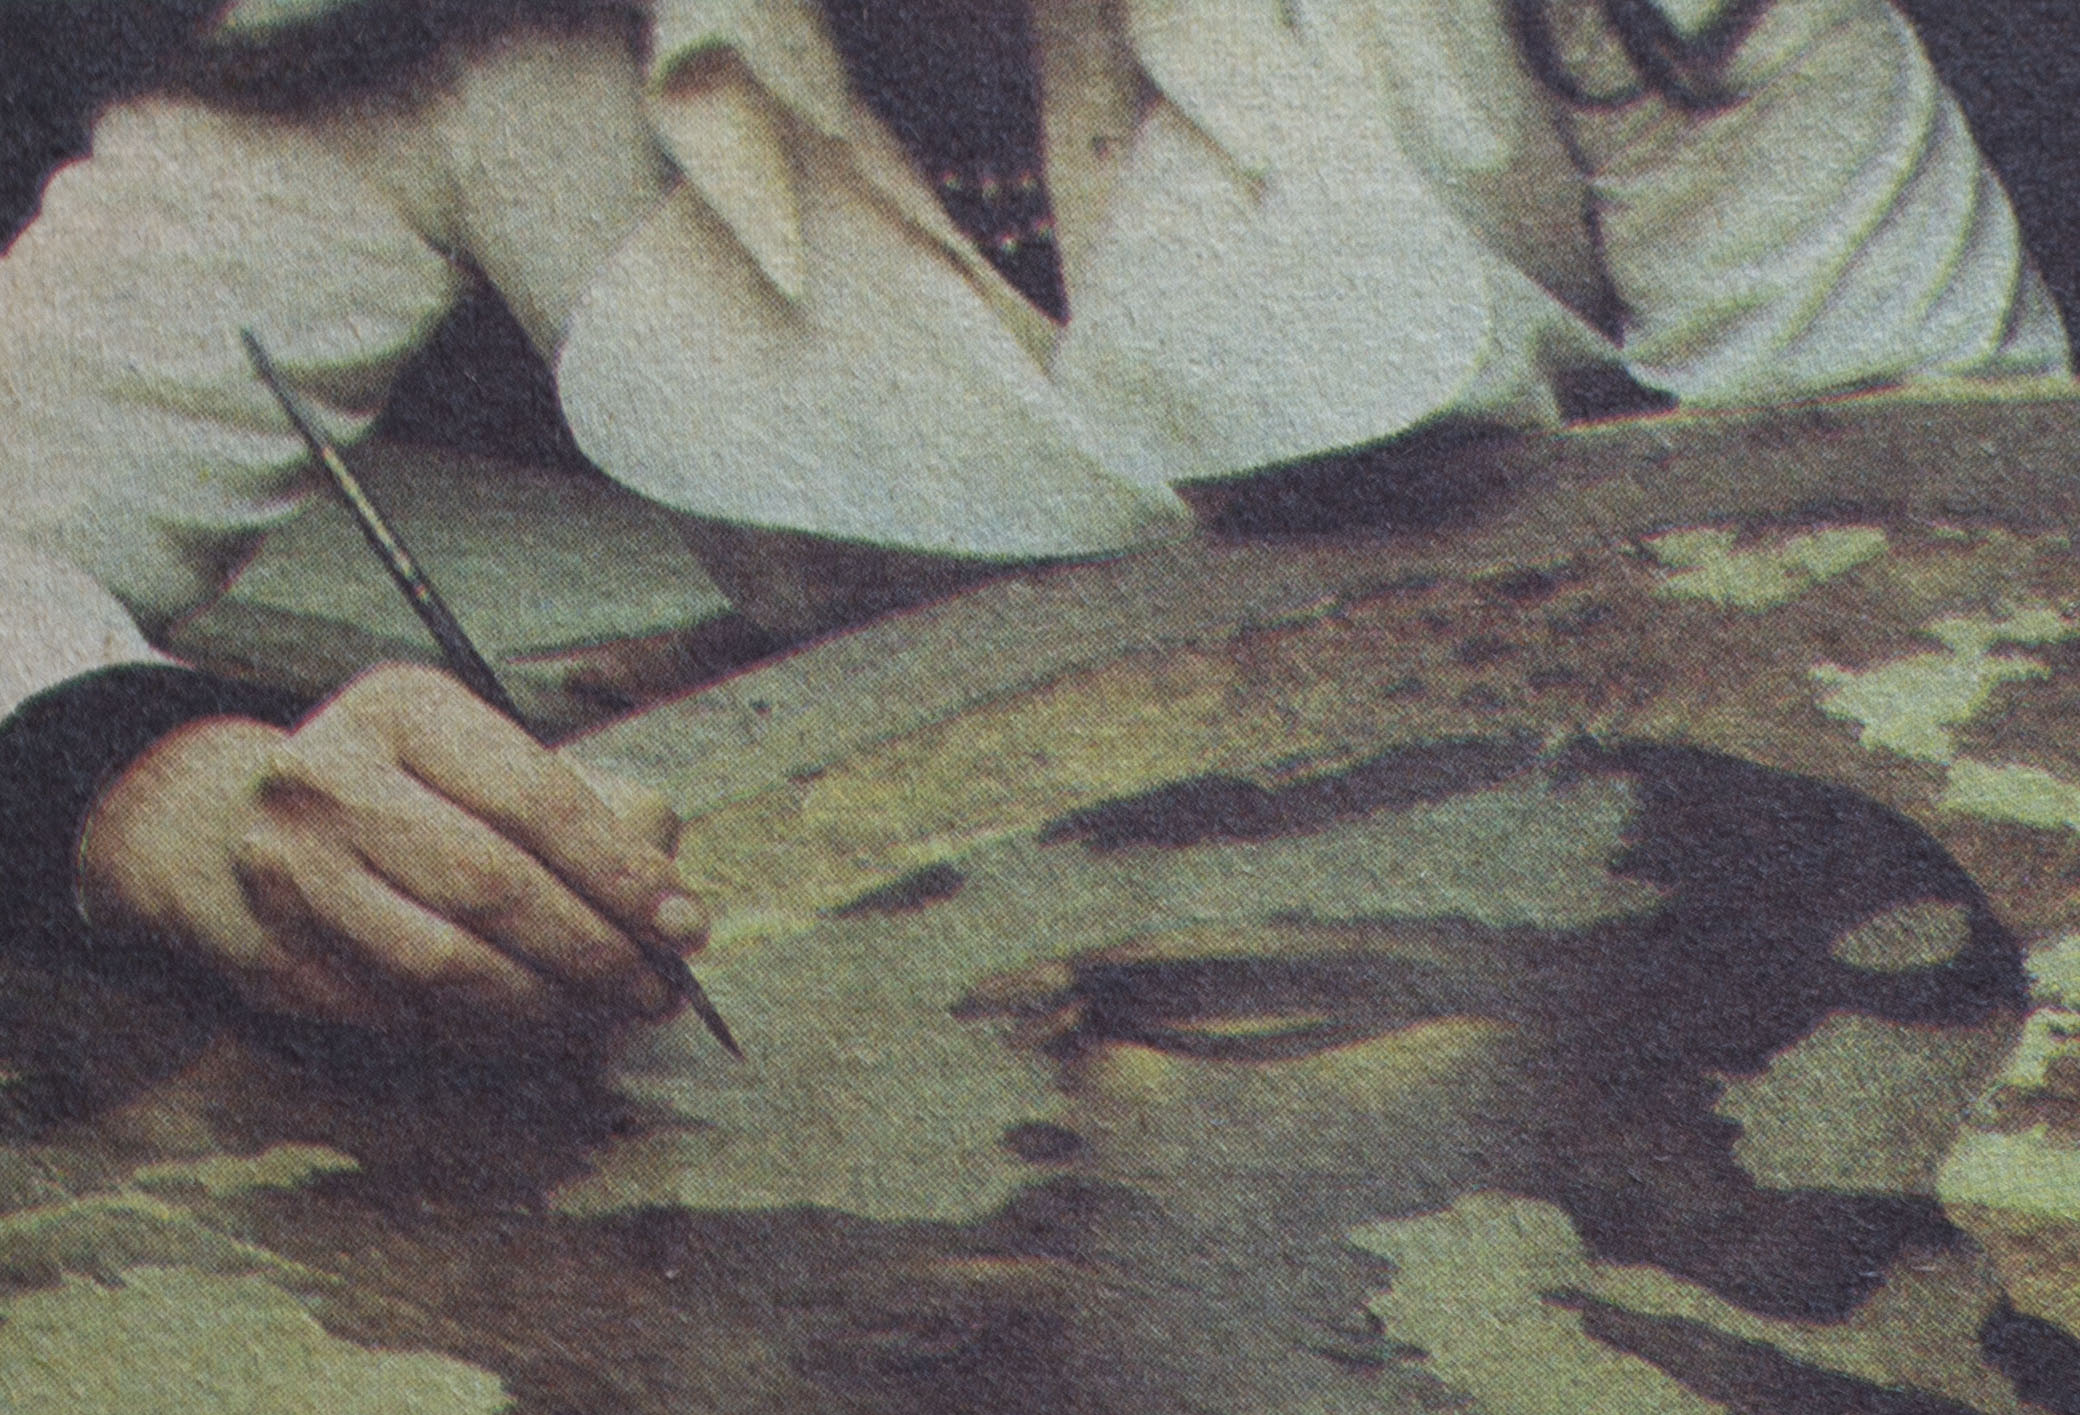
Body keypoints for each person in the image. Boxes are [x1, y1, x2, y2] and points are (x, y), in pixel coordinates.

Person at [0, 0, 2062, 1053]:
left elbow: (1978, 579)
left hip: (1689, 1041)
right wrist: (148, 788)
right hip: (915, 1106)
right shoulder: (405, 37)